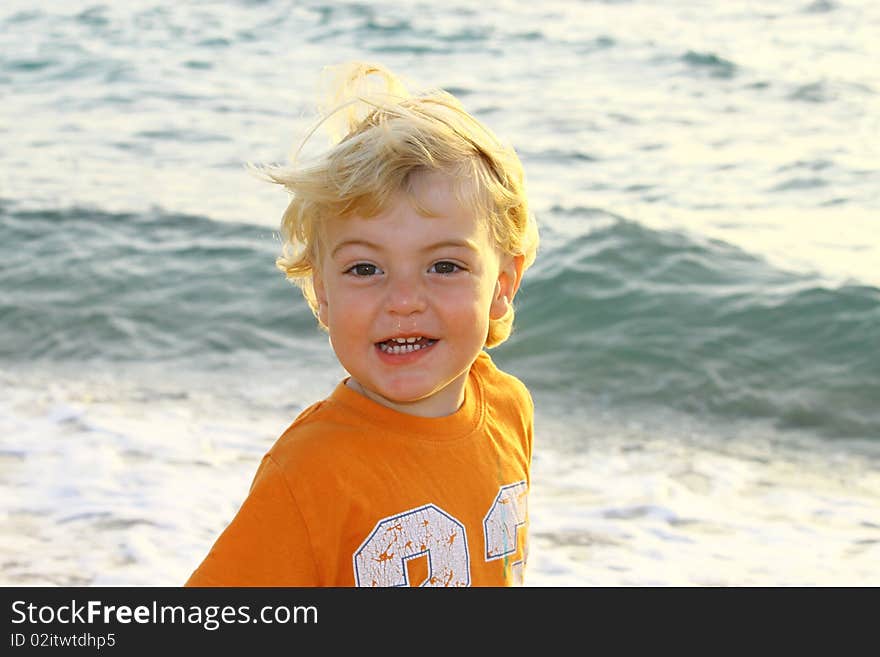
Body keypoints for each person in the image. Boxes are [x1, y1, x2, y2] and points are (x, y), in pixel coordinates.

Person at [185, 62, 539, 587]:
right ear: (322, 292)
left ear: (502, 287)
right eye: (365, 268)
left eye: (444, 266)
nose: (402, 301)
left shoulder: (509, 408)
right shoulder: (311, 471)